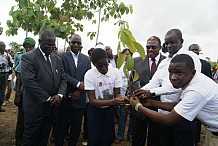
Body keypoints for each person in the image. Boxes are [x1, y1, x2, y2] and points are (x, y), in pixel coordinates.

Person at [130, 54, 218, 146]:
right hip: (212, 132)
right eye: (170, 73)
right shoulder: (193, 80)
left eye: (179, 73)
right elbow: (178, 106)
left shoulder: (196, 91)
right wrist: (150, 102)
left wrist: (137, 106)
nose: (173, 78)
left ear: (192, 72)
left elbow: (169, 119)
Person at [134, 29, 201, 146]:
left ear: (181, 41)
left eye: (172, 42)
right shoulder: (165, 62)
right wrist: (138, 93)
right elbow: (153, 82)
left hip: (182, 114)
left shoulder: (190, 57)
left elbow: (178, 86)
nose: (169, 46)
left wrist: (151, 92)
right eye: (166, 43)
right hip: (163, 114)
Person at [20, 29, 67, 146]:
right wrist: (48, 99)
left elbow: (63, 79)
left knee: (43, 137)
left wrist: (59, 95)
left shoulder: (57, 59)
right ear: (39, 41)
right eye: (48, 44)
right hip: (35, 107)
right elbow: (29, 82)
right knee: (30, 138)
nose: (51, 47)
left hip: (52, 108)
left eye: (53, 45)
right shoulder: (28, 57)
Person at [84, 48, 126, 146]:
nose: (103, 68)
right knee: (94, 137)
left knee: (107, 136)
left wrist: (121, 99)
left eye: (105, 64)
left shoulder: (115, 73)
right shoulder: (89, 75)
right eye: (99, 66)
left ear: (108, 60)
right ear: (94, 65)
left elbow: (117, 93)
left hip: (109, 110)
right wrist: (114, 102)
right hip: (94, 109)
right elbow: (92, 100)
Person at [55, 34, 91, 146]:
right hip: (65, 96)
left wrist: (79, 90)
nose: (76, 45)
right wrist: (77, 84)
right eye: (73, 42)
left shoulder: (86, 59)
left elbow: (88, 76)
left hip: (80, 98)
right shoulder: (61, 57)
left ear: (81, 45)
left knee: (76, 127)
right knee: (61, 126)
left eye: (78, 43)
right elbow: (62, 74)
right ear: (69, 42)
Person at [132, 36, 166, 146]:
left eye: (153, 47)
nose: (150, 49)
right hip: (140, 104)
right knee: (138, 135)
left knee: (155, 137)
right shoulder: (136, 61)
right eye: (148, 47)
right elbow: (132, 82)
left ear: (160, 47)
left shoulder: (167, 62)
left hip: (159, 105)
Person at [14, 37, 36, 146]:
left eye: (30, 47)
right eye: (26, 47)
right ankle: (19, 140)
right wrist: (17, 95)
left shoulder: (37, 58)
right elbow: (19, 78)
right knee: (21, 119)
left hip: (34, 95)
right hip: (24, 93)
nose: (28, 49)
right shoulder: (24, 58)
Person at [189, 44, 213, 144]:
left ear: (199, 52)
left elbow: (209, 81)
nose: (194, 51)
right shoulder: (185, 63)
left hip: (201, 97)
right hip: (188, 95)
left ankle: (195, 140)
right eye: (192, 50)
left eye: (196, 50)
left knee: (197, 120)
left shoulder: (205, 64)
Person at [115, 48, 133, 143]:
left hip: (132, 97)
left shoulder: (134, 67)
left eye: (128, 54)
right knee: (122, 117)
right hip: (122, 97)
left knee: (132, 118)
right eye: (125, 54)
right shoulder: (119, 68)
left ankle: (130, 135)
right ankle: (120, 136)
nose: (127, 56)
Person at [0, 41, 14, 112]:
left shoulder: (8, 55)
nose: (3, 47)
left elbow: (12, 65)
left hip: (5, 74)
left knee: (2, 90)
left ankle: (0, 106)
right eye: (2, 46)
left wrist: (9, 60)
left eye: (4, 46)